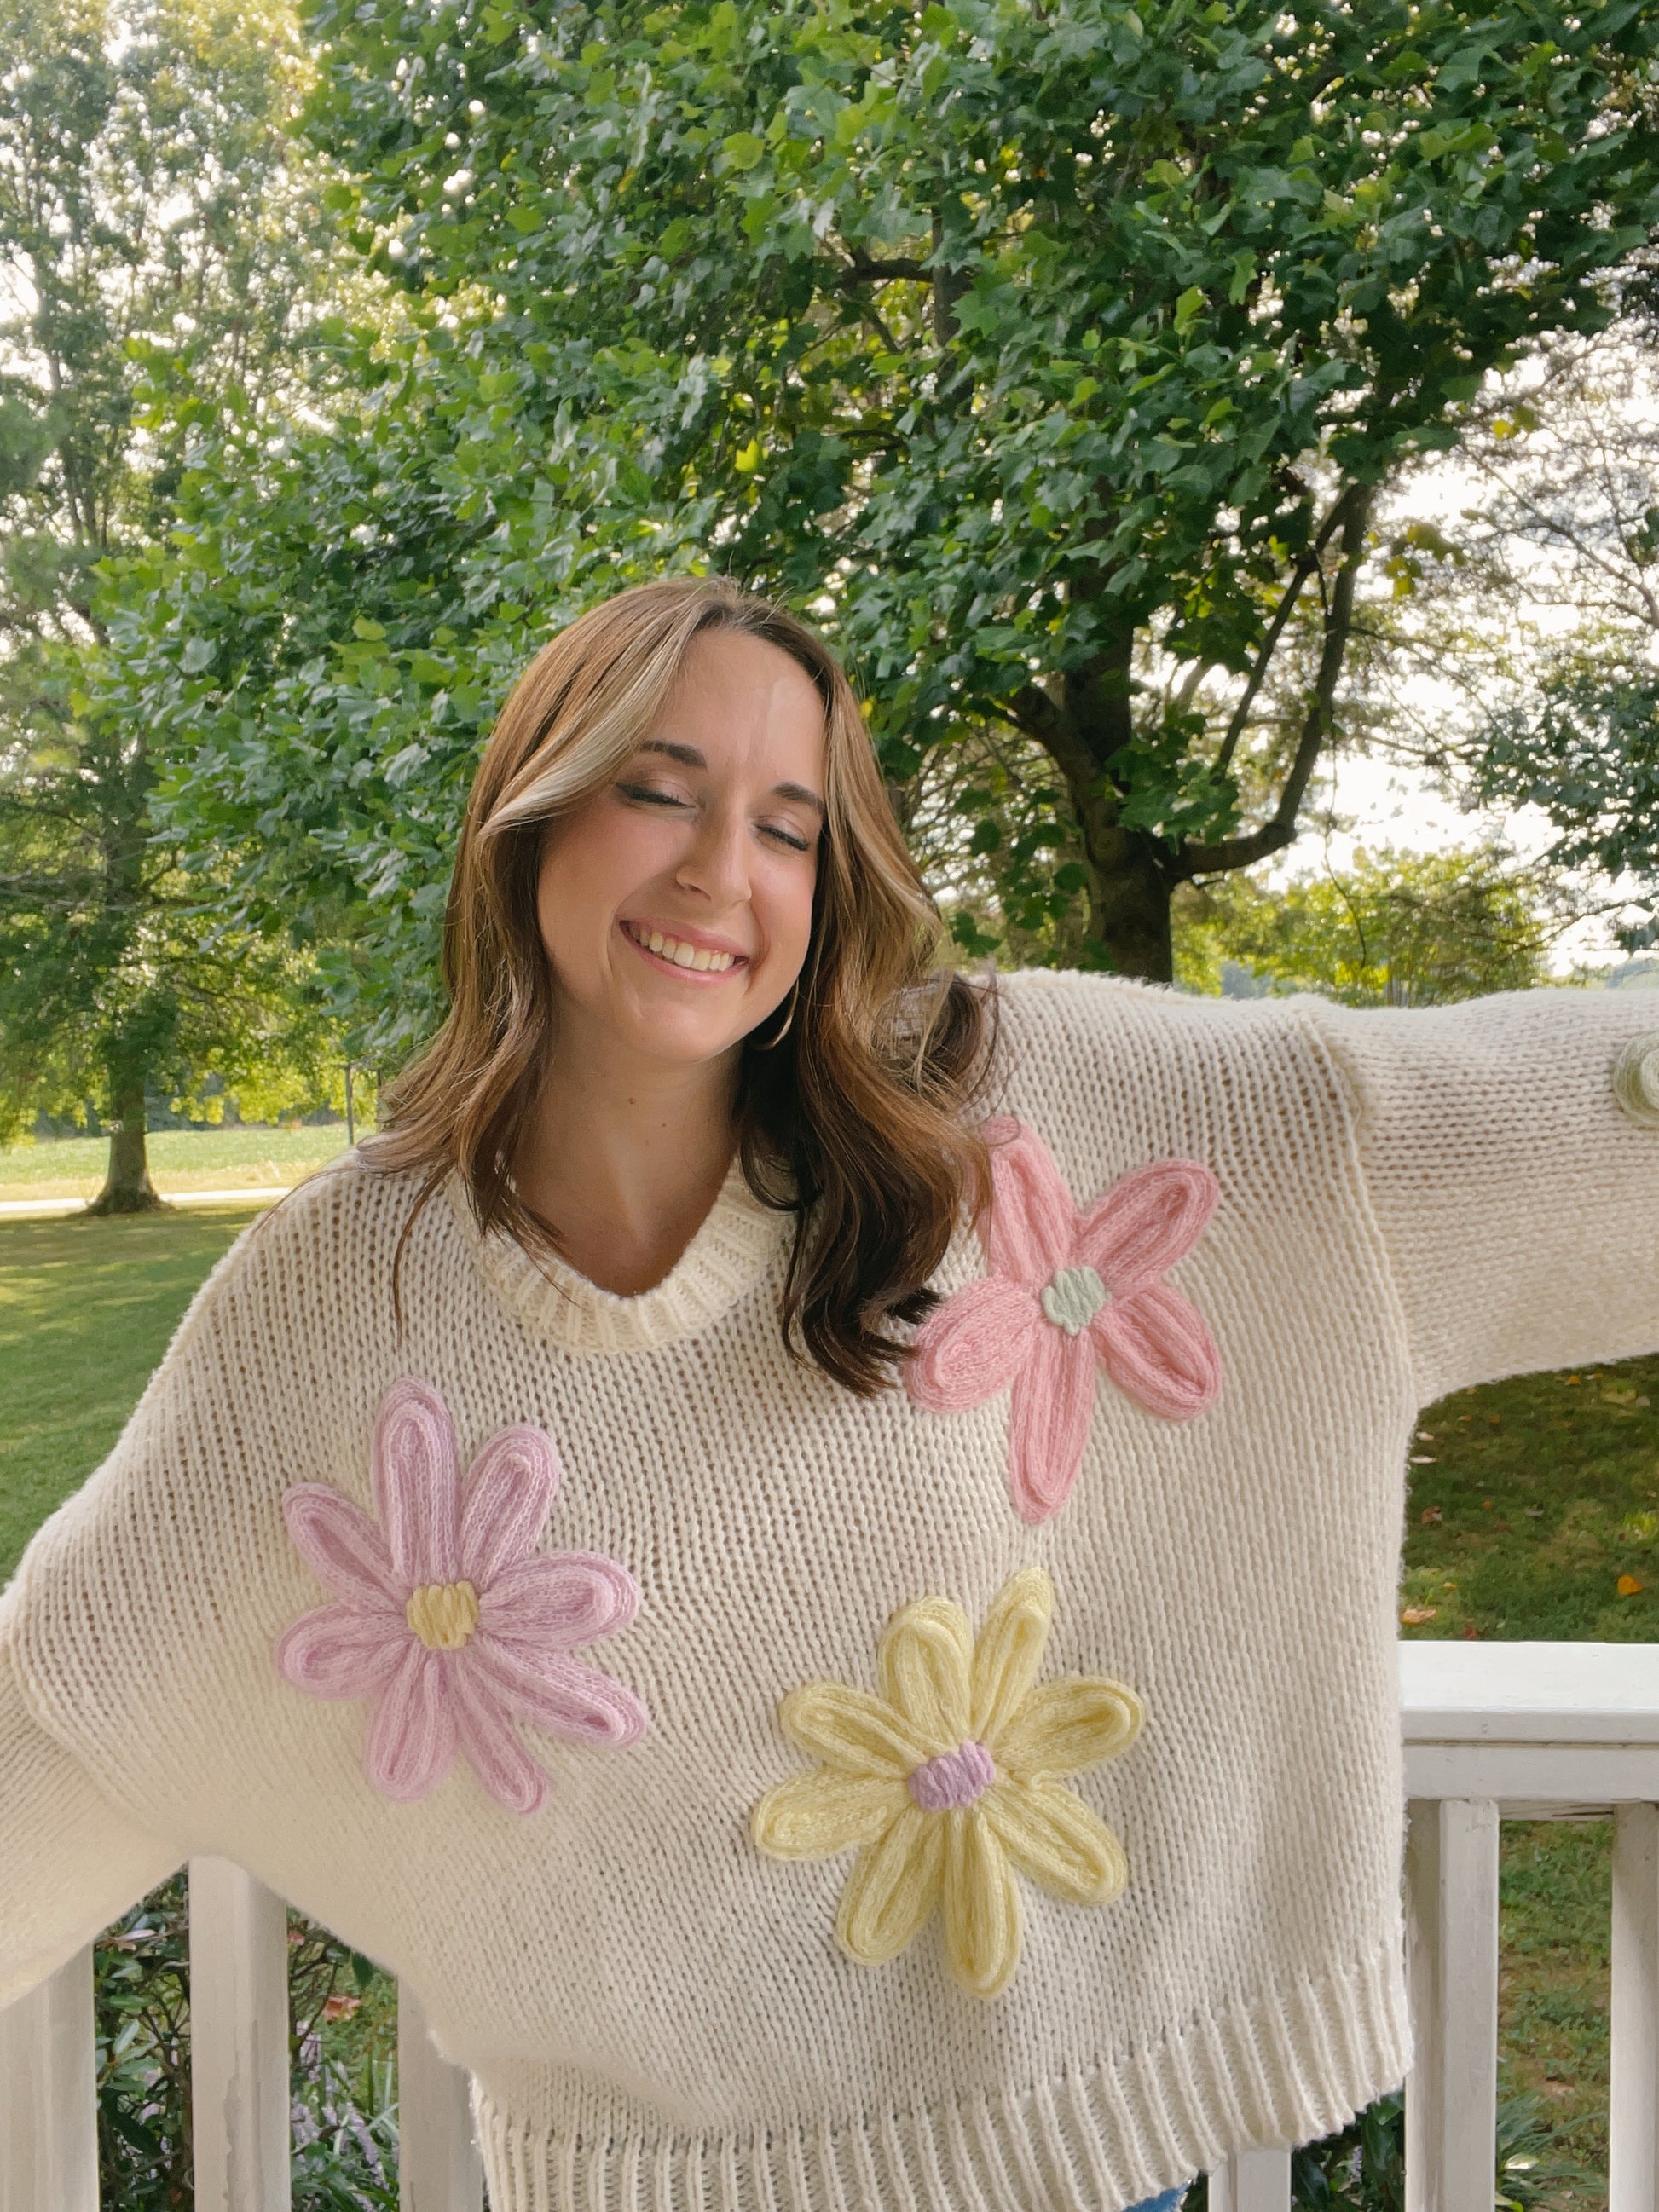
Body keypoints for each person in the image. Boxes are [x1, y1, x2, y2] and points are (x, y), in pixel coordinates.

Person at [3, 575, 1657, 2212]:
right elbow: (84, 1694)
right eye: (658, 789)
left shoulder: (994, 1108)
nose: (720, 868)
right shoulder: (342, 1287)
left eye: (786, 825)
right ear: (532, 820)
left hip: (1069, 2175)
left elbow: (1427, 1137)